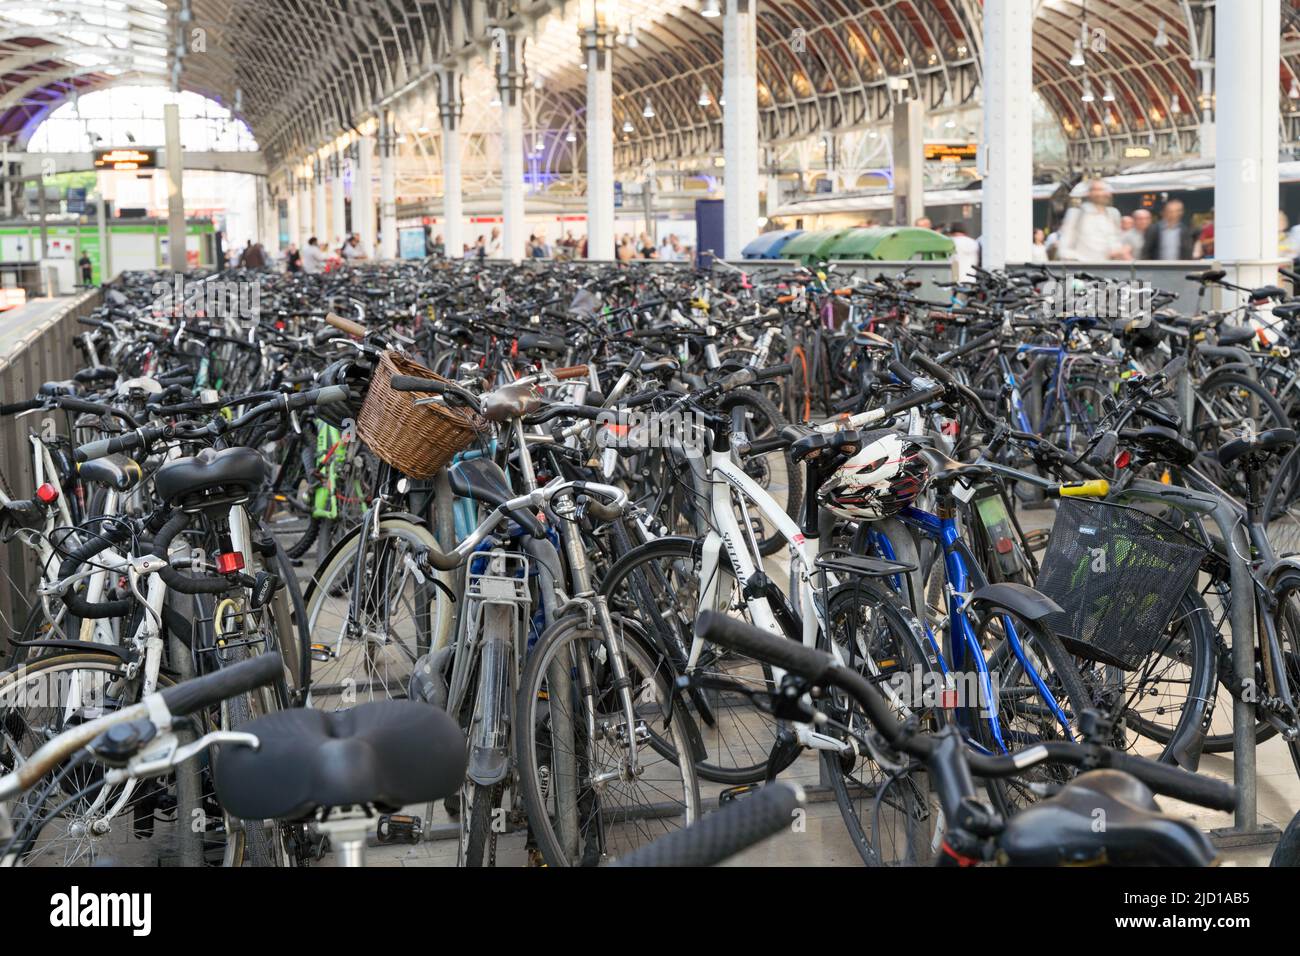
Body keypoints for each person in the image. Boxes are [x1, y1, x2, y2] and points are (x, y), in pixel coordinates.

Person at [1057, 179, 1128, 261]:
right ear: (1089, 193)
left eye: (1104, 190)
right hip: (1083, 268)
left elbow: (1115, 241)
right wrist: (1077, 264)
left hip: (1107, 269)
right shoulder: (1076, 214)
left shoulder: (1113, 214)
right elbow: (1064, 247)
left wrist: (1118, 251)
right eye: (1096, 190)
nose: (1101, 193)